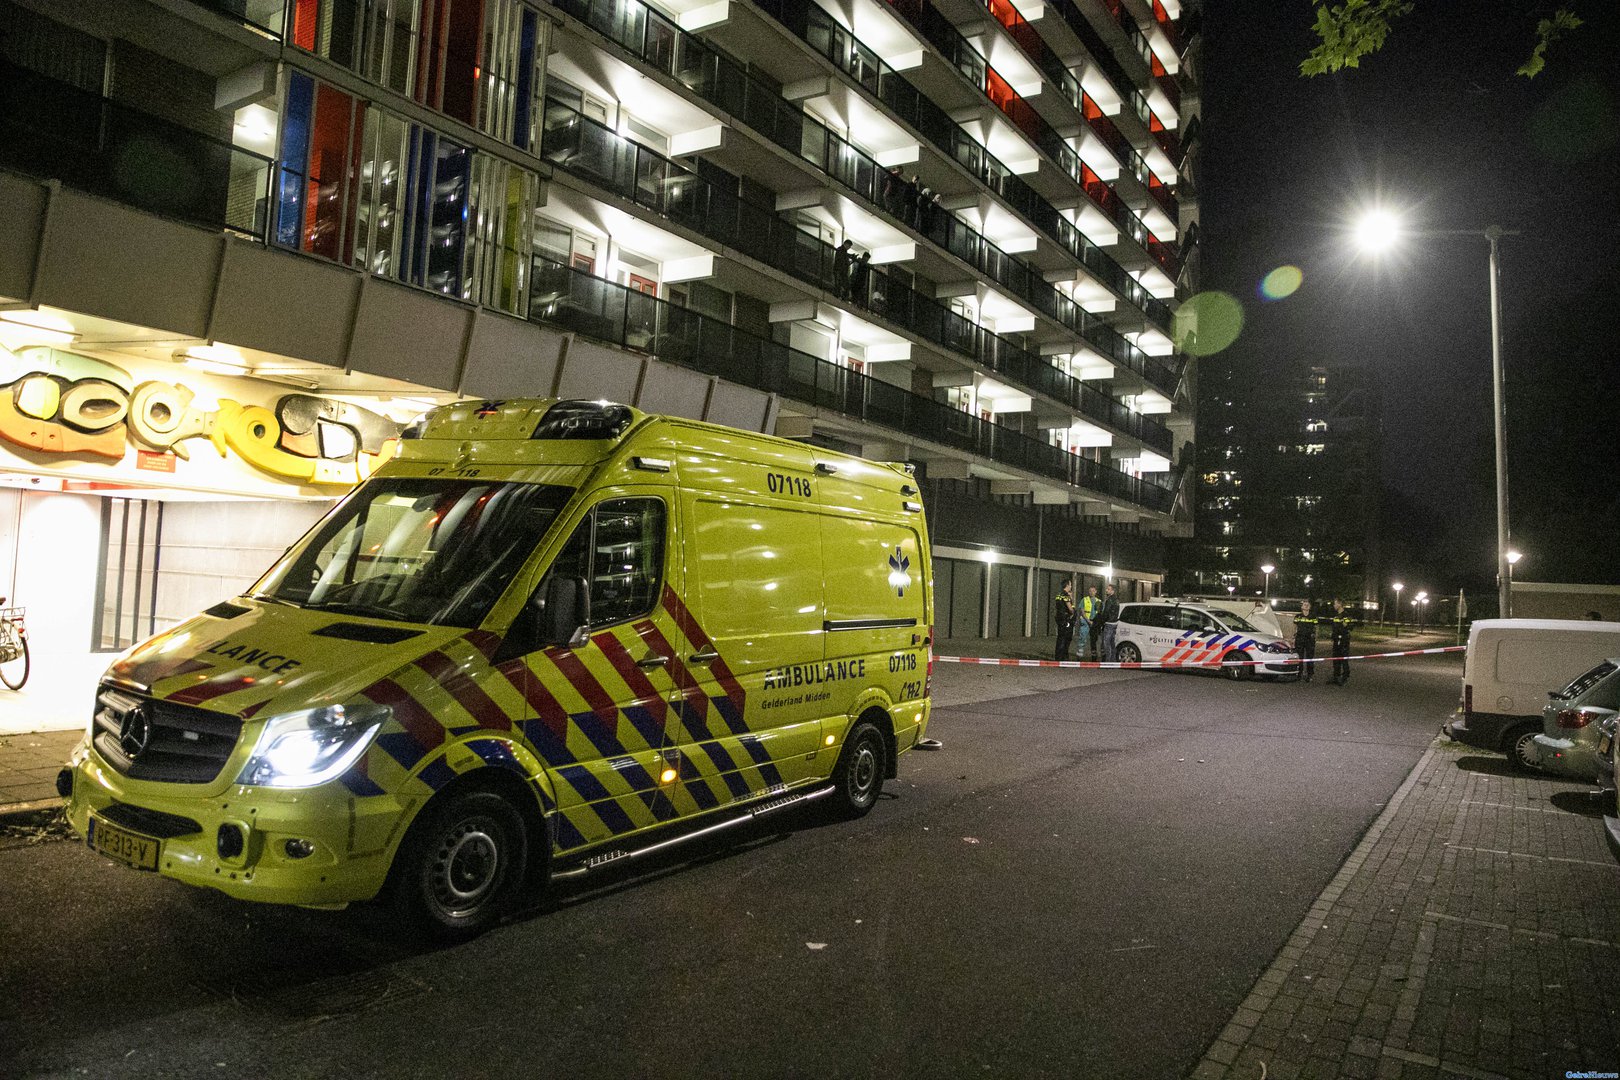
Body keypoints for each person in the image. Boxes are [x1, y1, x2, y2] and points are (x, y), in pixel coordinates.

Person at [1328, 598, 1356, 685]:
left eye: (1335, 604)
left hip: (1344, 639)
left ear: (1340, 604)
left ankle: (1345, 677)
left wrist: (1346, 626)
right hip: (1336, 639)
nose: (1334, 605)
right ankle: (1336, 676)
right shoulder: (1336, 615)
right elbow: (1334, 626)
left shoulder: (1346, 615)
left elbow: (1351, 627)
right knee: (1335, 658)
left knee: (1344, 658)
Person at [1293, 599, 1319, 684]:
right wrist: (1293, 637)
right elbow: (1294, 627)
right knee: (1299, 657)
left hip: (1309, 639)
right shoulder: (1298, 616)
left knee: (1310, 657)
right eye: (1304, 604)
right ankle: (1299, 674)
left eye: (1307, 604)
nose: (1306, 606)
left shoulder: (1313, 616)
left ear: (1310, 607)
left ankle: (1309, 675)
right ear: (1301, 607)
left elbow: (1316, 627)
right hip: (1300, 638)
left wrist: (1316, 637)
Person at [1097, 583, 1121, 663]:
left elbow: (1106, 612)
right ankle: (1113, 660)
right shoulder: (1117, 599)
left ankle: (1107, 662)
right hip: (1114, 623)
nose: (1106, 590)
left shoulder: (1109, 600)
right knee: (1112, 643)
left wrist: (1102, 621)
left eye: (1108, 589)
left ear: (1112, 591)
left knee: (1106, 643)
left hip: (1109, 623)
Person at [1053, 581, 1075, 661]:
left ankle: (1058, 657)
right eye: (1070, 584)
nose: (1071, 586)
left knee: (1060, 638)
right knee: (1066, 639)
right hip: (1066, 619)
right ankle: (1063, 658)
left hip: (1059, 618)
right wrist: (1073, 609)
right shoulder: (1066, 595)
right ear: (1067, 585)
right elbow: (1070, 609)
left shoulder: (1059, 595)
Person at [1078, 586, 1101, 660]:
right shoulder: (1084, 600)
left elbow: (1100, 613)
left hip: (1094, 623)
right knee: (1082, 638)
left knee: (1094, 640)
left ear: (1096, 591)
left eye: (1093, 591)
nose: (1091, 592)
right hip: (1085, 622)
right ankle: (1079, 656)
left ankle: (1094, 656)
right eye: (1090, 591)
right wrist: (1088, 621)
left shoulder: (1098, 601)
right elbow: (1082, 611)